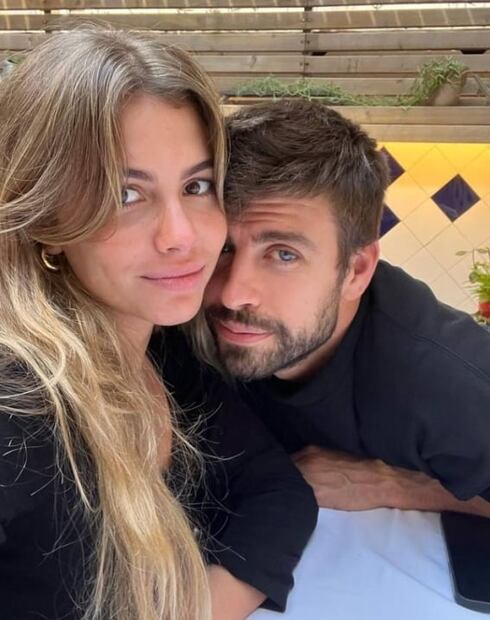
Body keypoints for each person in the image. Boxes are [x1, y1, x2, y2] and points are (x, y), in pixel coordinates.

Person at [0, 31, 317, 620]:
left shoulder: (164, 350)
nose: (181, 236)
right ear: (45, 219)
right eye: (126, 194)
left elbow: (278, 493)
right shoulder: (19, 409)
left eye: (197, 186)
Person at [193, 98, 490, 518]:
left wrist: (395, 484)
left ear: (357, 270)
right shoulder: (185, 321)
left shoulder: (444, 382)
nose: (232, 294)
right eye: (223, 247)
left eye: (284, 255)